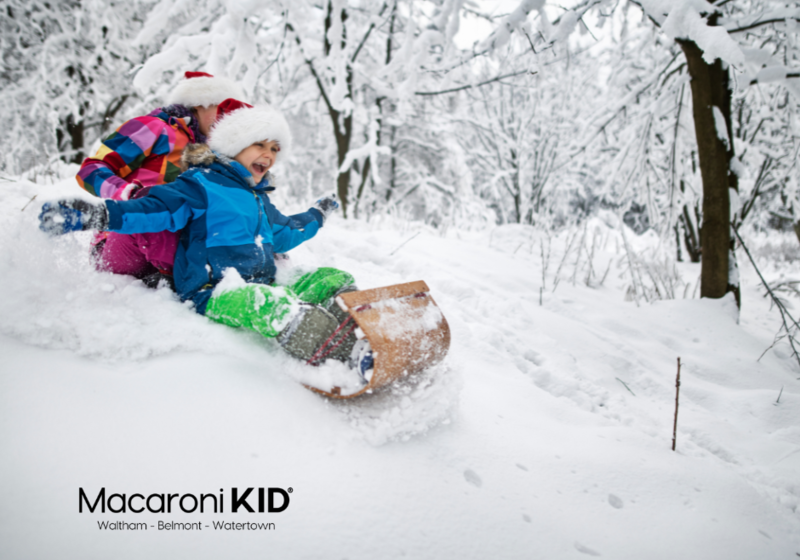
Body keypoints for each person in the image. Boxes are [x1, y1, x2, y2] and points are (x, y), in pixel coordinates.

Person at [40, 102, 369, 373]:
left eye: (274, 148)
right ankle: (340, 360)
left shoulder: (257, 199)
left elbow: (285, 233)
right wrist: (96, 215)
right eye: (260, 144)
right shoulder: (198, 184)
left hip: (262, 281)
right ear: (234, 144)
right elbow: (151, 210)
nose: (269, 154)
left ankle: (368, 334)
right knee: (271, 306)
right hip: (214, 291)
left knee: (330, 278)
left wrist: (317, 214)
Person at [76, 71, 246, 286]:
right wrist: (128, 193)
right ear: (200, 103)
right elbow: (91, 170)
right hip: (125, 240)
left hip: (176, 244)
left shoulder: (213, 154)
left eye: (230, 115)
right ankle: (192, 282)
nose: (225, 119)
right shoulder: (155, 128)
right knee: (157, 209)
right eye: (220, 110)